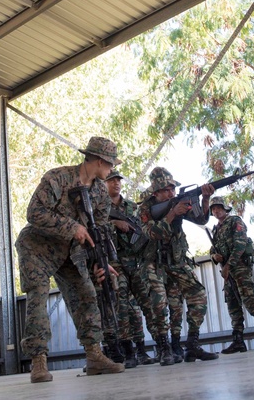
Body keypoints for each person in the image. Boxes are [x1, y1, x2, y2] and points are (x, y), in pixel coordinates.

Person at [16, 136, 125, 383]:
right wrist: (71, 226)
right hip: (37, 248)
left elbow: (98, 232)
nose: (111, 170)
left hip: (72, 252)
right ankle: (38, 361)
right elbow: (34, 212)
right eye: (110, 164)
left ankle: (94, 355)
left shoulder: (99, 192)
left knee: (86, 293)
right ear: (98, 160)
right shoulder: (58, 178)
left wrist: (100, 262)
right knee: (38, 295)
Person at [138, 167, 218, 365]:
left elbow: (201, 219)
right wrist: (173, 213)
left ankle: (191, 345)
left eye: (173, 189)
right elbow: (152, 233)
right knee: (158, 303)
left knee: (198, 295)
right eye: (166, 190)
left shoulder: (178, 202)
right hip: (153, 261)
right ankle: (164, 348)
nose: (171, 193)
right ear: (156, 192)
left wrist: (206, 199)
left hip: (177, 258)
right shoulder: (145, 209)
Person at [209, 196, 254, 353]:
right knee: (232, 303)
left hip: (239, 267)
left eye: (218, 207)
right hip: (227, 270)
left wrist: (228, 265)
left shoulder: (235, 221)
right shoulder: (216, 229)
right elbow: (213, 250)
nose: (216, 210)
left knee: (248, 301)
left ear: (224, 208)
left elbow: (240, 244)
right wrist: (214, 257)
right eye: (213, 209)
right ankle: (238, 340)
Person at [106, 170, 155, 367]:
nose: (116, 184)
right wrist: (114, 224)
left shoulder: (132, 207)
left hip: (135, 263)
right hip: (114, 263)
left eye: (118, 180)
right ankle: (127, 352)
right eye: (111, 180)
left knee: (137, 309)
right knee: (121, 307)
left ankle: (142, 350)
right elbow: (95, 228)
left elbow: (144, 231)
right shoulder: (100, 207)